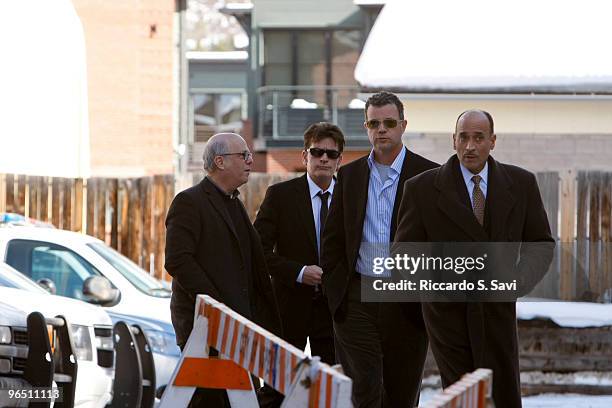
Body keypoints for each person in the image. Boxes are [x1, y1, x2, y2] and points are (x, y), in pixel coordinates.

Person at [393, 110, 554, 408]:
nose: (470, 146)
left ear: (492, 141)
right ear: (453, 140)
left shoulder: (521, 184)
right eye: (463, 137)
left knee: (503, 393)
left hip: (497, 312)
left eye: (478, 138)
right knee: (462, 395)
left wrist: (515, 283)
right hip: (447, 315)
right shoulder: (421, 189)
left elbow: (540, 243)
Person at [321, 91, 438, 407]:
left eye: (389, 122)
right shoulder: (349, 174)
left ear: (403, 125)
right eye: (374, 123)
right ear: (366, 127)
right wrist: (338, 296)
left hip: (406, 300)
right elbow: (332, 241)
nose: (381, 129)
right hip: (357, 298)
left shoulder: (430, 176)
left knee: (401, 392)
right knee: (365, 386)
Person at [165, 132, 281, 407]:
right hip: (206, 328)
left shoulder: (233, 203)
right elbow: (178, 260)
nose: (250, 161)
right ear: (220, 161)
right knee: (209, 401)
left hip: (239, 331)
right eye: (243, 155)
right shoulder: (189, 202)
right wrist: (217, 307)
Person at [254, 122, 343, 365]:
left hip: (335, 311)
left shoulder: (351, 197)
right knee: (278, 385)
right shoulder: (280, 196)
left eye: (331, 154)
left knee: (331, 388)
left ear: (339, 160)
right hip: (289, 308)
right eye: (317, 152)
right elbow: (257, 251)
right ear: (305, 156)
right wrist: (299, 272)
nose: (323, 158)